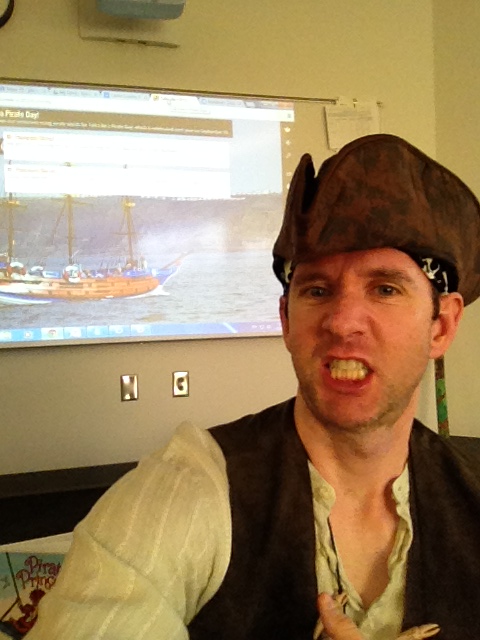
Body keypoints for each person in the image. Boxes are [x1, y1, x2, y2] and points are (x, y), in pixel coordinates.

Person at [26, 134, 480, 640]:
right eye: (317, 290)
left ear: (441, 326)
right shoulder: (188, 491)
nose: (342, 321)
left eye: (385, 289)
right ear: (286, 320)